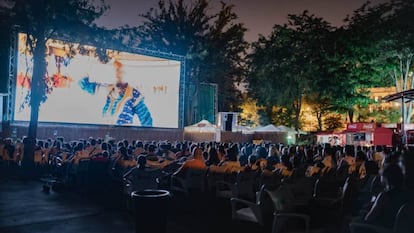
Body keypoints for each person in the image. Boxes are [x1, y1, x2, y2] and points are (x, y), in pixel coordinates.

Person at [78, 59, 153, 126]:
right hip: (103, 136)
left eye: (119, 71)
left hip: (122, 138)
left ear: (125, 73)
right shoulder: (104, 88)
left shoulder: (134, 95)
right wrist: (92, 62)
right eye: (115, 70)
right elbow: (82, 83)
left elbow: (147, 121)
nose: (117, 74)